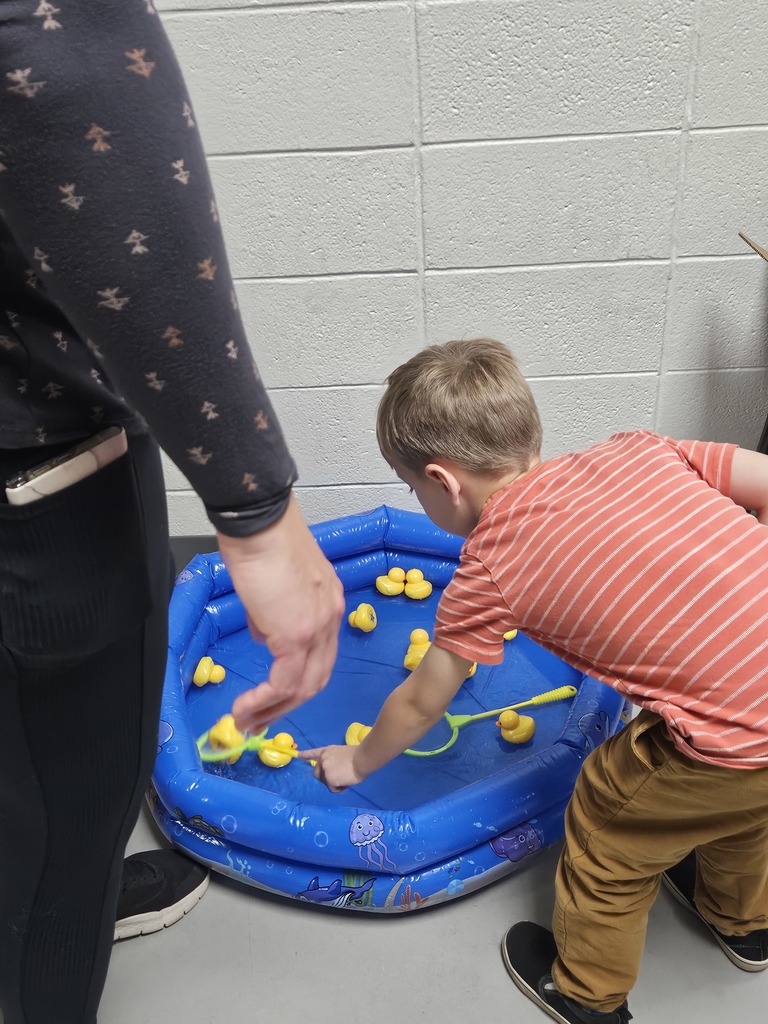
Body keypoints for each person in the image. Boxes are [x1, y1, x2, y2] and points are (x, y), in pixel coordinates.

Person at [0, 3, 344, 1023]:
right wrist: (257, 509)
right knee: (62, 808)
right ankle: (53, 924)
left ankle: (62, 888)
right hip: (32, 471)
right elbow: (60, 79)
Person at [303, 337, 768, 1024]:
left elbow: (423, 701)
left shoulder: (489, 568)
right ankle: (742, 921)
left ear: (443, 482)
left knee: (609, 825)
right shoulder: (637, 448)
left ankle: (587, 994)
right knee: (751, 809)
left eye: (412, 489)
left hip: (734, 744)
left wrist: (356, 760)